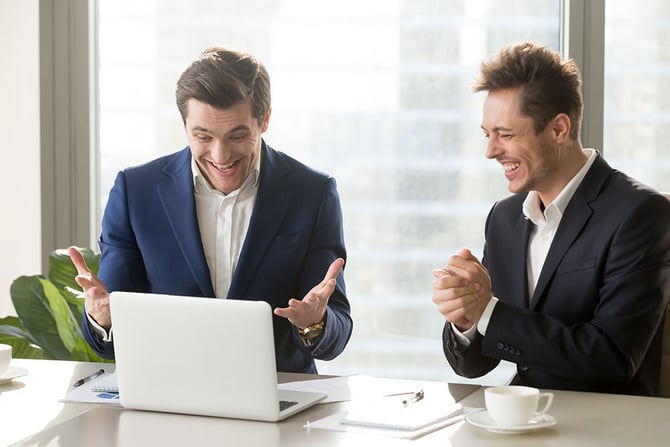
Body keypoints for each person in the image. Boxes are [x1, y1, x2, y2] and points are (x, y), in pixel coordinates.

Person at [68, 46, 352, 374]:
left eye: (237, 135)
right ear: (184, 125)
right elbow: (109, 339)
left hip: (280, 401)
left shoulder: (311, 194)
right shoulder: (137, 192)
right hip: (168, 399)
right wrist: (101, 318)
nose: (220, 155)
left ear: (265, 120)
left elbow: (337, 331)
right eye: (203, 136)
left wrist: (314, 323)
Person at [432, 41, 670, 396]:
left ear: (559, 129)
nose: (491, 151)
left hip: (607, 426)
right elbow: (475, 364)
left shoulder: (640, 213)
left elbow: (614, 359)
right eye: (487, 135)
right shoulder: (504, 217)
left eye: (506, 135)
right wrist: (467, 319)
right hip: (522, 420)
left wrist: (490, 312)